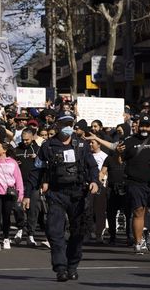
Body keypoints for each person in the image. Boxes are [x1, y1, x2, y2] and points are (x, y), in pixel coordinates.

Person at [23, 109, 99, 282]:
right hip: (57, 194)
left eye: (70, 124)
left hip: (78, 193)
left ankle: (72, 266)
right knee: (54, 231)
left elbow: (92, 167)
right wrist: (28, 194)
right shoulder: (47, 146)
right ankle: (61, 268)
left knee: (78, 233)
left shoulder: (81, 145)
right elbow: (36, 170)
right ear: (57, 125)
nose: (67, 127)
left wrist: (95, 181)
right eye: (64, 124)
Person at [119, 114, 150, 254]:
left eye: (147, 126)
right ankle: (138, 242)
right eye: (142, 125)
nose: (144, 128)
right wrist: (118, 153)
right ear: (137, 126)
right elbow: (119, 159)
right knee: (138, 211)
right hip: (134, 182)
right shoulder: (129, 141)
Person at [14, 128, 41, 246]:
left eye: (27, 140)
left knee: (33, 209)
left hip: (34, 184)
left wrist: (44, 183)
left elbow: (42, 167)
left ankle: (30, 234)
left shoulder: (38, 150)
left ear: (32, 138)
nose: (25, 142)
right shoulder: (16, 150)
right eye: (23, 139)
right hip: (19, 184)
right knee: (18, 207)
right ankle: (20, 228)